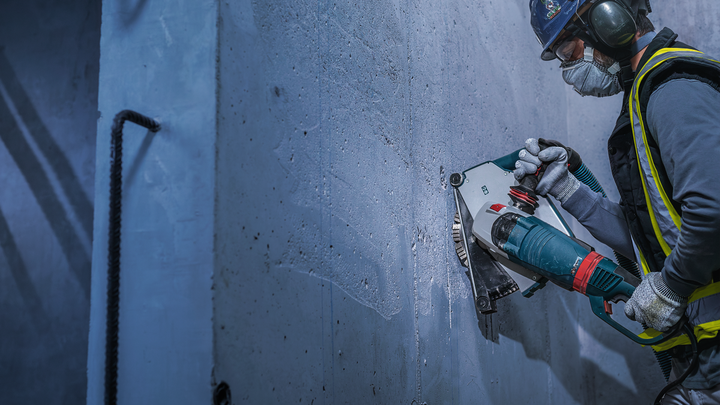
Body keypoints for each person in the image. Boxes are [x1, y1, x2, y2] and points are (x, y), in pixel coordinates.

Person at [519, 0, 720, 402]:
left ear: (606, 22)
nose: (569, 73)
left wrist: (672, 285)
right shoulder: (645, 93)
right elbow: (652, 238)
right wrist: (567, 189)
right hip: (699, 352)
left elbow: (712, 209)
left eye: (568, 52)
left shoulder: (673, 89)